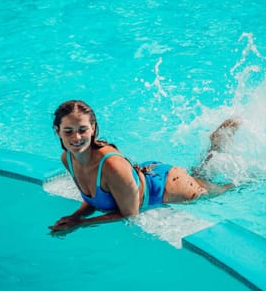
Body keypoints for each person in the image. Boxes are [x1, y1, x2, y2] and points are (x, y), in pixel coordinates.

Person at [48, 100, 237, 234]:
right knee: (200, 174)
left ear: (93, 129)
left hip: (169, 187)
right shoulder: (68, 158)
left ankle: (254, 175)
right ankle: (214, 148)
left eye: (82, 130)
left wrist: (81, 223)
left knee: (227, 189)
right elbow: (95, 199)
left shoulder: (112, 166)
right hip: (145, 175)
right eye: (68, 131)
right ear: (58, 132)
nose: (76, 138)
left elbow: (130, 213)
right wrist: (74, 216)